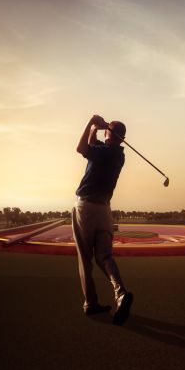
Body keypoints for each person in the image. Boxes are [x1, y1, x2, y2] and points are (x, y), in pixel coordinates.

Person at [72, 114, 133, 325]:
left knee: (85, 258)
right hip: (105, 210)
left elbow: (81, 148)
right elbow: (92, 145)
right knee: (105, 257)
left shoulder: (102, 152)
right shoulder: (119, 155)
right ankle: (121, 293)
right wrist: (98, 129)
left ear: (109, 135)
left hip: (86, 207)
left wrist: (91, 123)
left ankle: (90, 303)